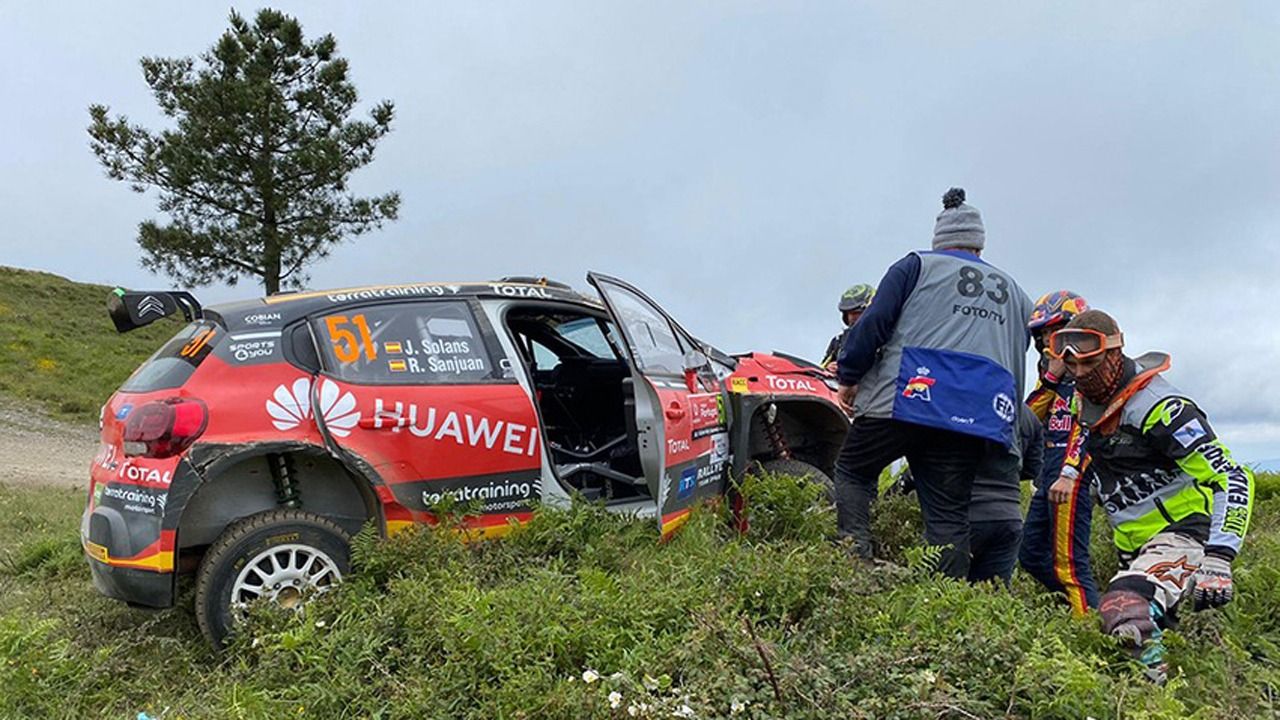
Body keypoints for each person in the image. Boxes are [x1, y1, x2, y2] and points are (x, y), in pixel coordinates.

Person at [833, 187, 1034, 579]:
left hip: (904, 398)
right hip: (974, 416)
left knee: (853, 470)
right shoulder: (1017, 294)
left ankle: (853, 563)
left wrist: (849, 377)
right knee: (948, 517)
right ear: (980, 244)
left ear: (939, 239)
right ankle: (947, 598)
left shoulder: (914, 267)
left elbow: (873, 324)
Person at [1050, 309, 1255, 683]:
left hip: (1185, 533)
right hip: (1136, 546)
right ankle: (1186, 695)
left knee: (1124, 609)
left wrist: (1221, 556)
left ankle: (1152, 704)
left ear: (1114, 353)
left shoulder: (1163, 409)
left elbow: (1231, 476)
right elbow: (1087, 441)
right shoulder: (1087, 401)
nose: (1079, 375)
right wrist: (1070, 475)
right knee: (1163, 643)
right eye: (1072, 367)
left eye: (1090, 364)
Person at [1018, 291, 1100, 614]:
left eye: (1052, 331)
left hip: (1073, 478)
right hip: (1048, 477)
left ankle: (1090, 635)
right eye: (1041, 334)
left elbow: (1088, 426)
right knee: (1030, 554)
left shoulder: (1091, 371)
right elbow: (1028, 418)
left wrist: (1070, 472)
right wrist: (1051, 377)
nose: (1045, 341)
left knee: (1070, 566)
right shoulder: (1052, 374)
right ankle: (1083, 608)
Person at [968, 402, 1043, 586]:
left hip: (965, 514)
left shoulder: (965, 402)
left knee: (941, 592)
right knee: (993, 601)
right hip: (1009, 516)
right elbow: (1033, 468)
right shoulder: (1027, 415)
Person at [821, 284, 876, 372]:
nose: (851, 317)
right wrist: (828, 369)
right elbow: (818, 371)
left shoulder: (886, 337)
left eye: (856, 312)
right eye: (848, 313)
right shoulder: (838, 342)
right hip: (844, 384)